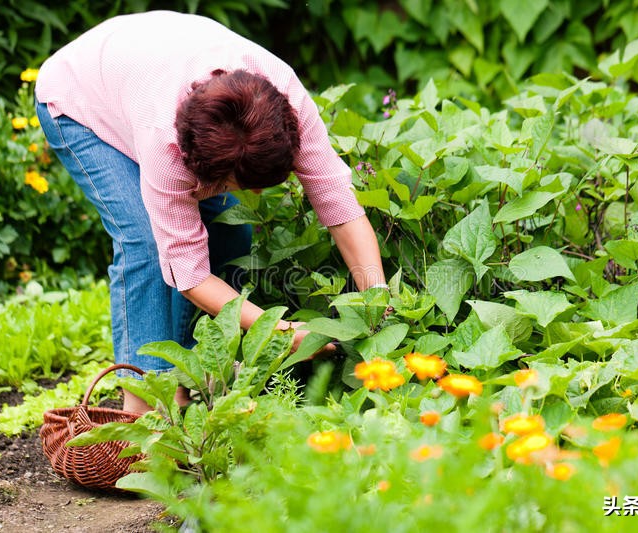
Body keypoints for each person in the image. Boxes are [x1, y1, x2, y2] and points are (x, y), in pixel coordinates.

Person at [34, 10, 387, 414]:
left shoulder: (284, 102)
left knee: (231, 230)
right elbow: (188, 273)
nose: (256, 192)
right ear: (199, 163)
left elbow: (341, 208)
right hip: (80, 96)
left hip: (147, 59)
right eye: (245, 183)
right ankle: (145, 408)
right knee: (145, 246)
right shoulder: (165, 143)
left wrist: (376, 304)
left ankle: (192, 369)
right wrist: (277, 328)